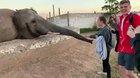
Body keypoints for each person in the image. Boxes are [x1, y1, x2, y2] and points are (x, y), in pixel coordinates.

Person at [115, 0, 140, 78]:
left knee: (129, 73)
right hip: (122, 48)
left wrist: (134, 32)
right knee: (121, 68)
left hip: (131, 49)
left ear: (130, 7)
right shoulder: (121, 18)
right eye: (121, 7)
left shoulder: (134, 17)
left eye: (125, 6)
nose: (123, 8)